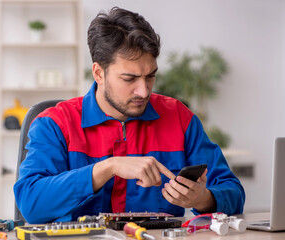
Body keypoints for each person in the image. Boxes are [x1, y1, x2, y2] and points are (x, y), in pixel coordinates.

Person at [14, 7, 245, 224]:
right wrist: (107, 168)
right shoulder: (54, 123)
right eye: (129, 79)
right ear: (99, 73)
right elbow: (31, 203)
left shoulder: (180, 118)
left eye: (150, 76)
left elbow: (233, 192)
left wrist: (202, 199)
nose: (143, 91)